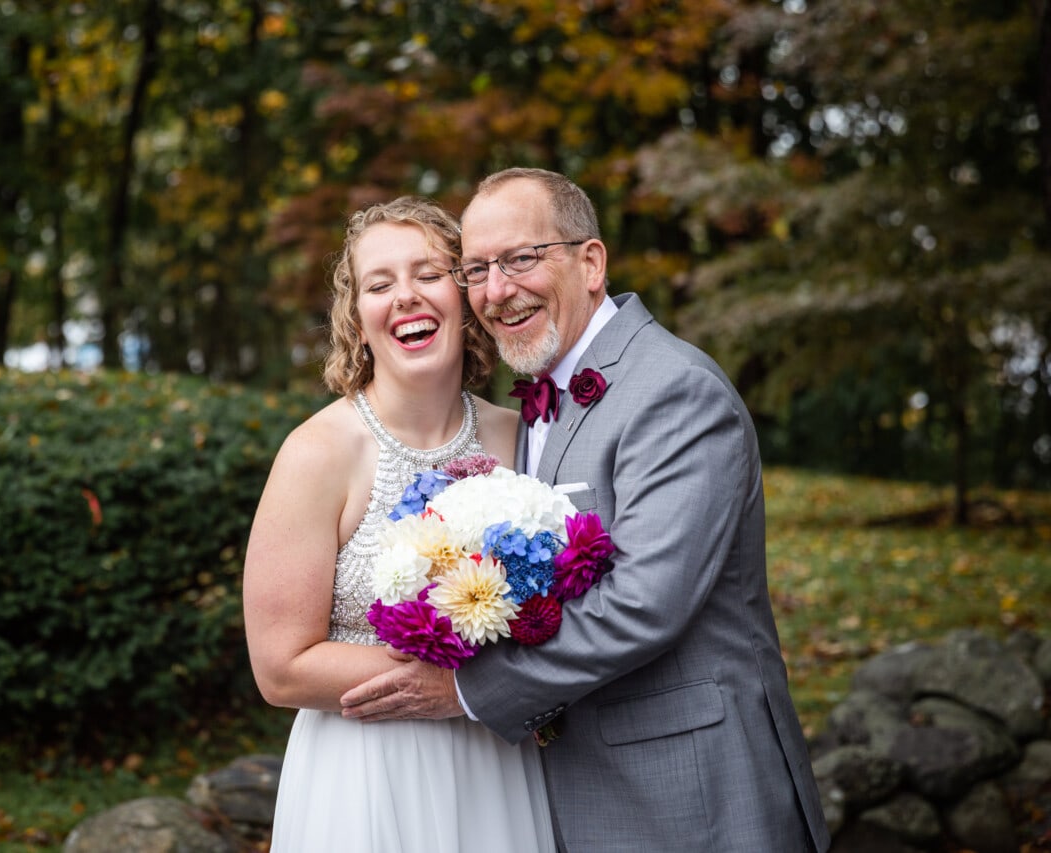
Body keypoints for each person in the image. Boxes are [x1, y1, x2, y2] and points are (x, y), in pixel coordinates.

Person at [339, 169, 832, 852]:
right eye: (476, 269)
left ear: (591, 262)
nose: (496, 290)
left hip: (694, 794)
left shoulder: (674, 391)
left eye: (520, 258)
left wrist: (470, 690)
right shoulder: (533, 409)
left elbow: (646, 601)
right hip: (575, 790)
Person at [243, 196, 556, 852]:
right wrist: (447, 681)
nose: (406, 296)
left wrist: (480, 691)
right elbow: (280, 667)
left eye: (428, 274)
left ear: (466, 293)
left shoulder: (521, 438)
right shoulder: (318, 453)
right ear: (358, 320)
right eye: (380, 284)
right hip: (364, 774)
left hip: (494, 764)